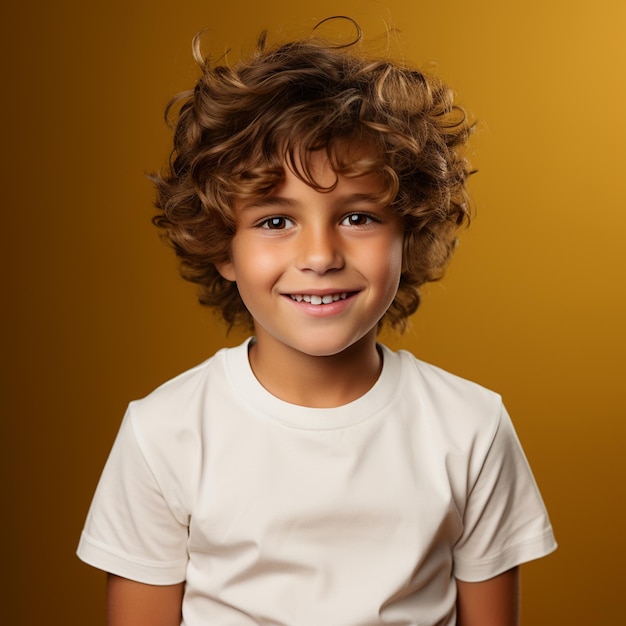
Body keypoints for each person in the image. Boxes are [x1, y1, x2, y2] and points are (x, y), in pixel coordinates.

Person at [77, 17, 556, 626]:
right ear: (222, 246)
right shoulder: (163, 433)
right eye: (276, 221)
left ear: (407, 232)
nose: (321, 257)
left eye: (358, 217)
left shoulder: (472, 428)